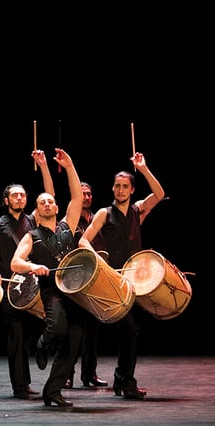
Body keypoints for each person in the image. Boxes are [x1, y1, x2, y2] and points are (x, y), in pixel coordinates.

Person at [78, 152, 165, 400]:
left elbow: (159, 194)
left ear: (132, 190)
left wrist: (144, 168)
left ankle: (122, 379)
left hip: (135, 279)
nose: (120, 189)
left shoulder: (138, 211)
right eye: (117, 186)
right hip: (113, 280)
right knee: (127, 330)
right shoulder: (104, 213)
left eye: (125, 186)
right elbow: (84, 241)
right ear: (113, 188)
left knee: (129, 333)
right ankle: (126, 381)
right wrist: (100, 266)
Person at [0, 149, 54, 399]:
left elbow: (49, 194)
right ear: (6, 200)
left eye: (22, 195)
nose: (19, 198)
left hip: (34, 285)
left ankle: (26, 382)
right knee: (16, 338)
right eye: (14, 195)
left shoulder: (33, 220)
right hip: (10, 288)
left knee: (32, 337)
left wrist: (43, 166)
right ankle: (19, 387)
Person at [10, 148, 84, 407]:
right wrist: (33, 267)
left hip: (75, 291)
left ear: (56, 207)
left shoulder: (67, 226)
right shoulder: (32, 236)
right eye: (43, 202)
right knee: (57, 327)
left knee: (74, 342)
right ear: (37, 211)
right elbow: (15, 262)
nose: (48, 204)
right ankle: (42, 344)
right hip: (52, 290)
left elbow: (77, 196)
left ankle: (52, 391)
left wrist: (70, 166)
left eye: (51, 201)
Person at [65, 181, 108, 389]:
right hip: (76, 280)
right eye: (83, 194)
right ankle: (67, 374)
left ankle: (89, 374)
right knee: (73, 331)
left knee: (93, 331)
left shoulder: (98, 219)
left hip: (96, 279)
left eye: (90, 194)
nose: (87, 197)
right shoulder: (70, 220)